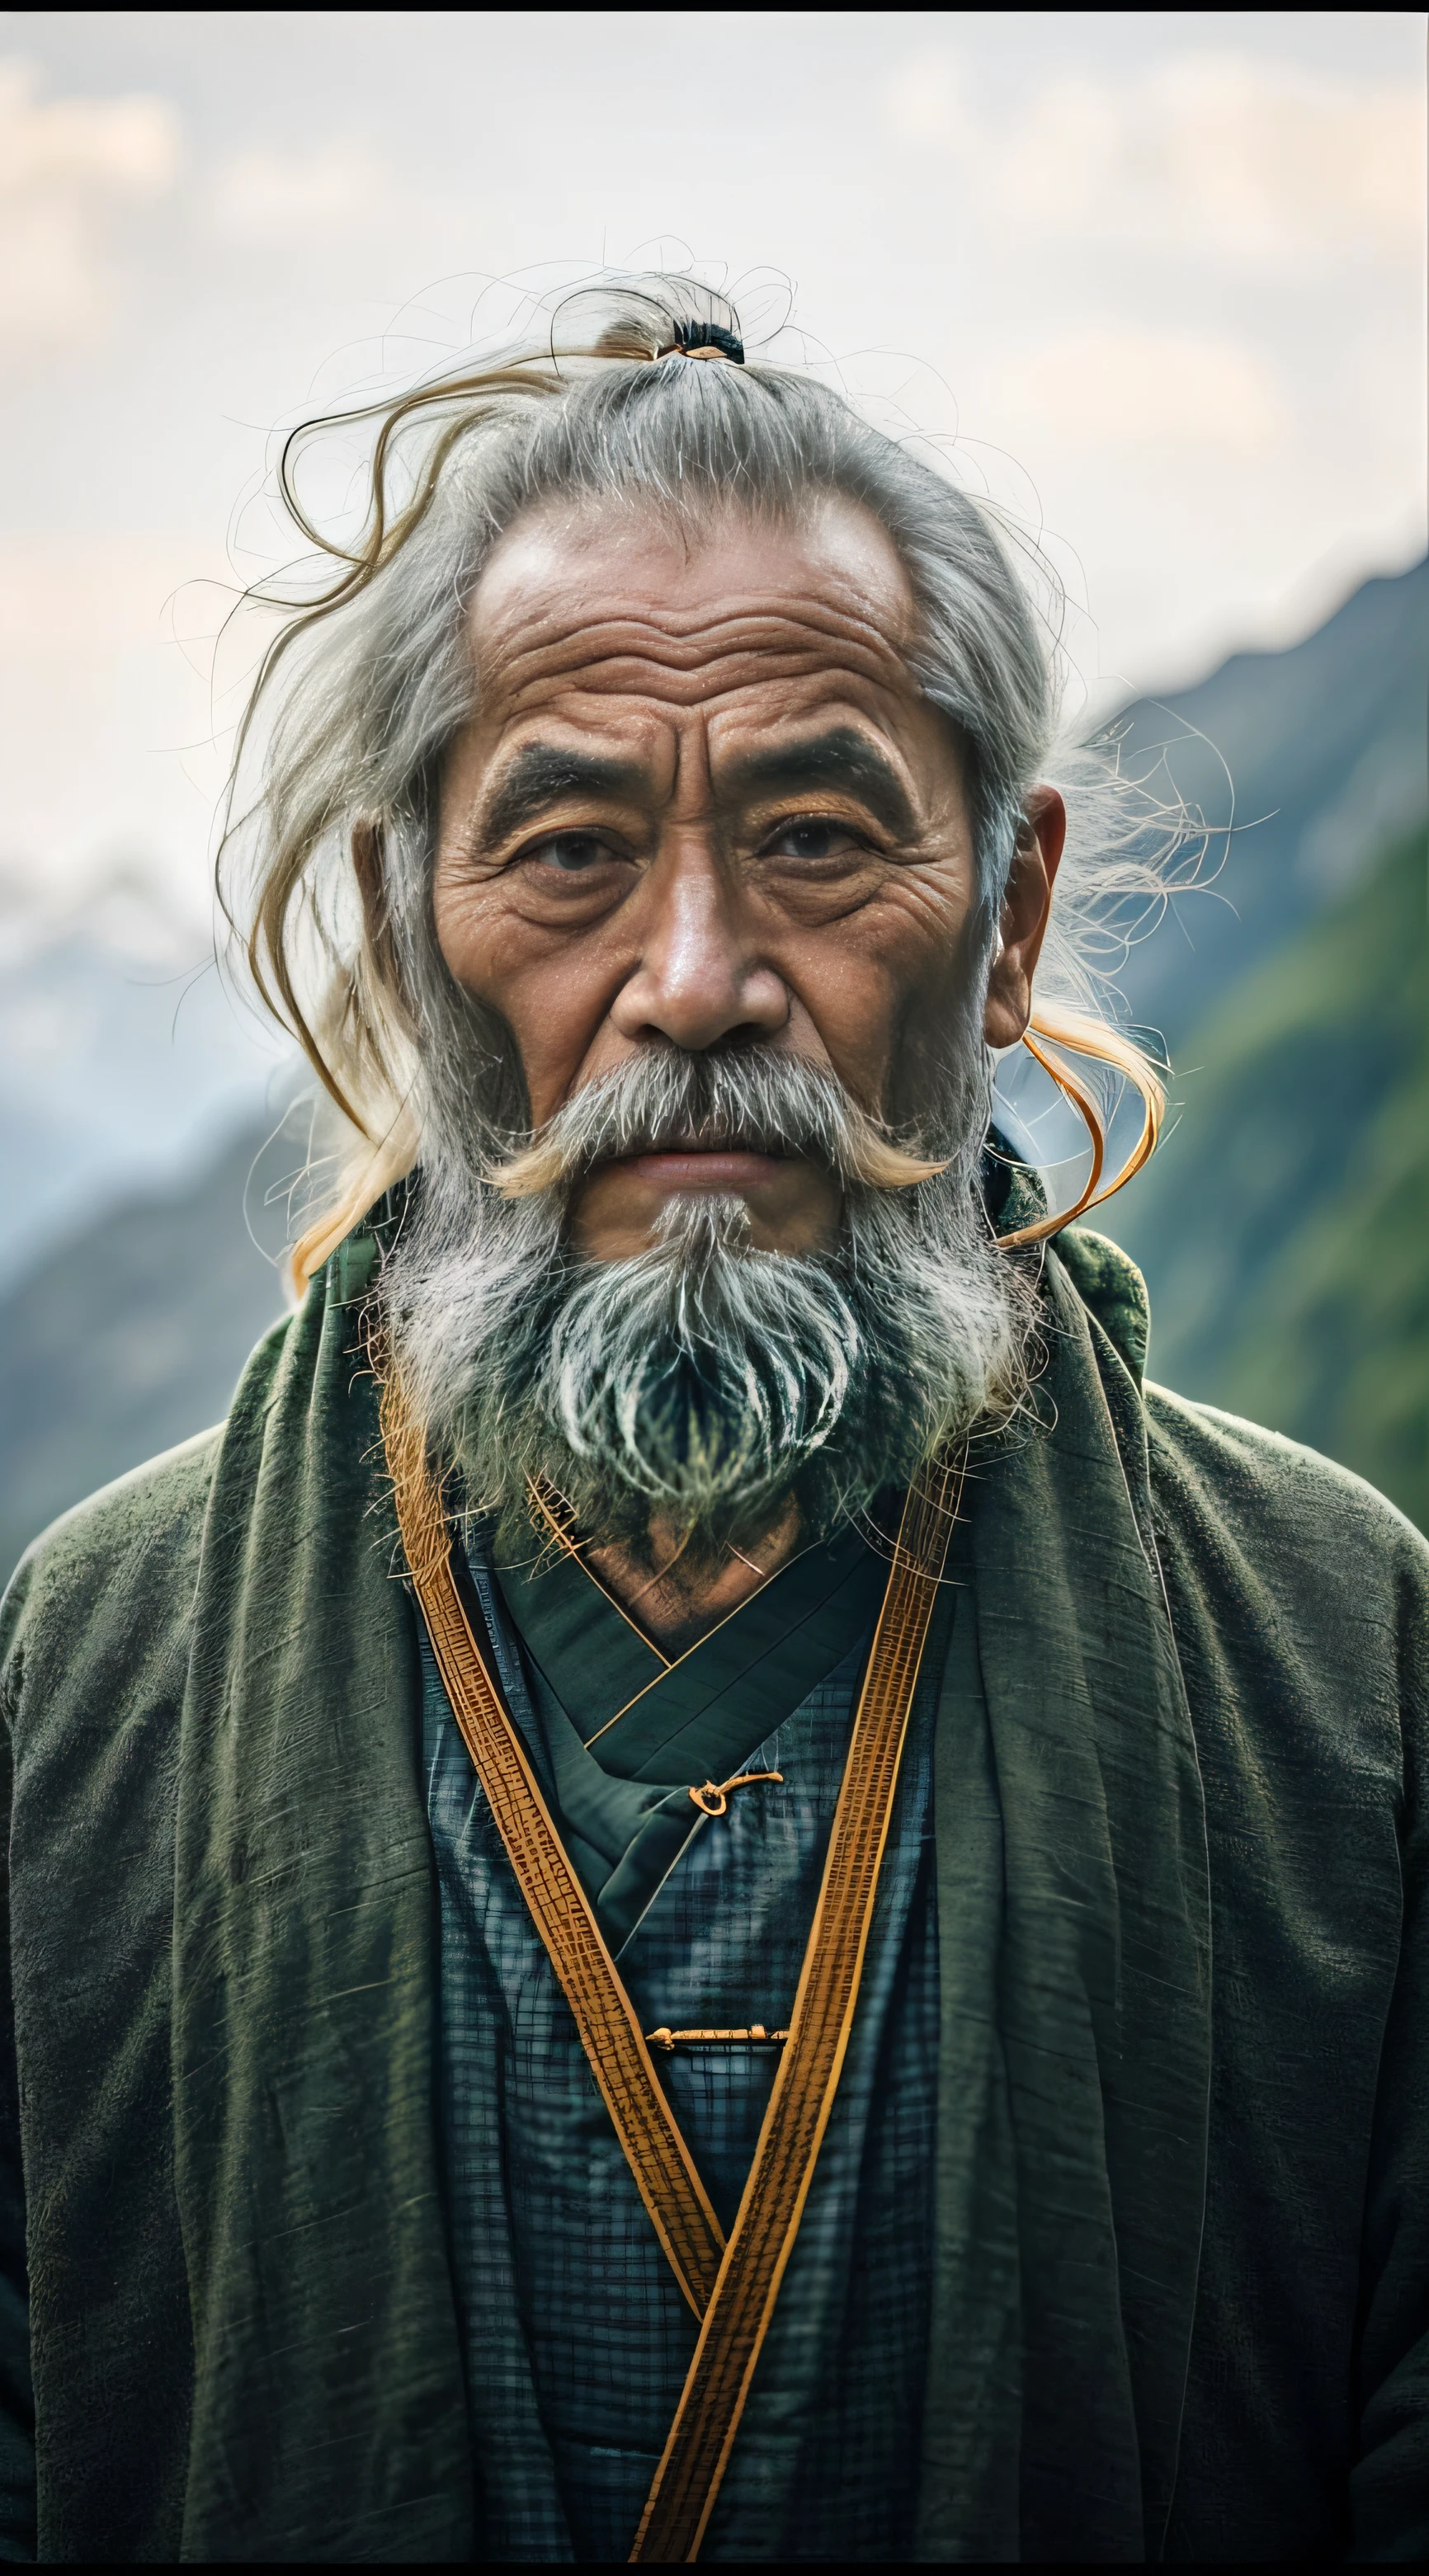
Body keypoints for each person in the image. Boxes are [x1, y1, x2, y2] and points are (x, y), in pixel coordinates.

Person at [1, 278, 1424, 2566]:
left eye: (814, 838)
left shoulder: (1339, 1665)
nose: (690, 977)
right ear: (400, 920)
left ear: (1010, 906)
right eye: (565, 852)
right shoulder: (88, 1681)